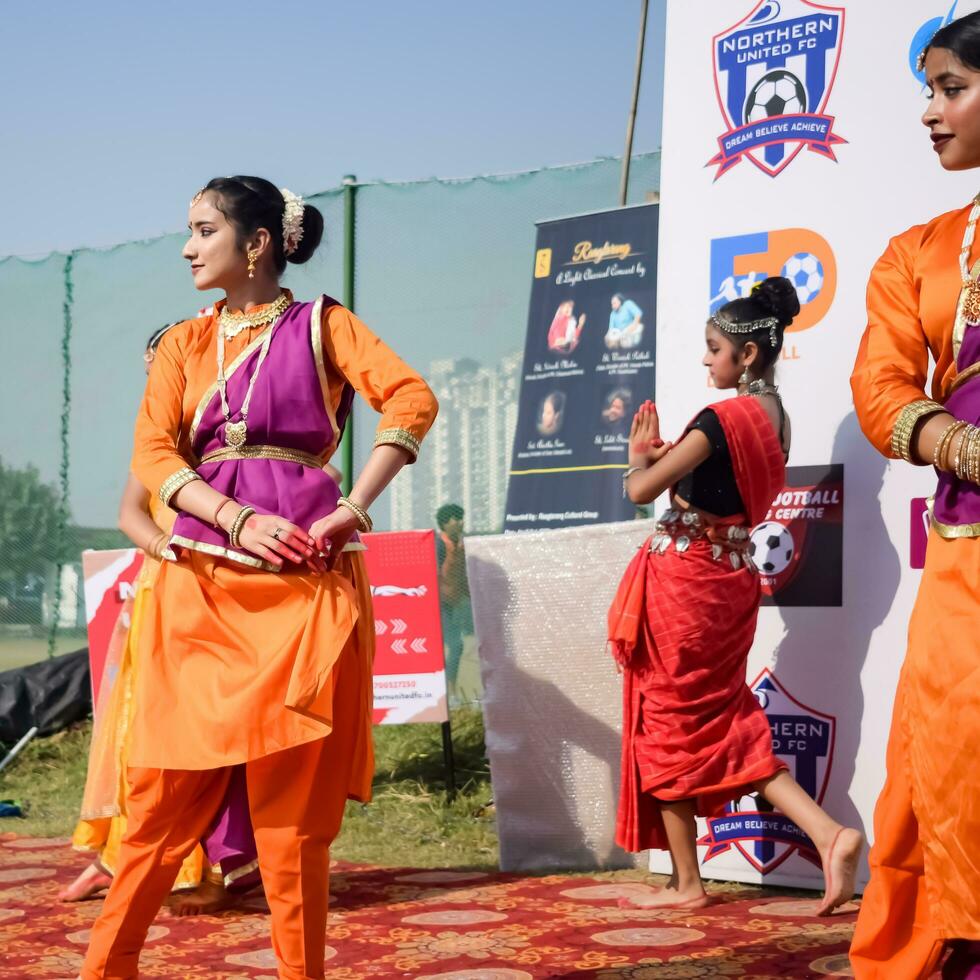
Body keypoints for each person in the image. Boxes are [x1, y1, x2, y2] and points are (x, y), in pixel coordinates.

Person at [81, 176, 437, 980]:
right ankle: (107, 969)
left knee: (292, 830)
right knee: (158, 815)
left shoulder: (324, 325)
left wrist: (355, 502)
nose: (186, 247)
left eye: (203, 229)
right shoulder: (181, 343)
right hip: (201, 587)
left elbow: (411, 396)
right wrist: (235, 520)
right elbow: (154, 456)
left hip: (305, 591)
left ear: (258, 243)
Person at [610, 277, 862, 914]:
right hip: (732, 582)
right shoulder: (776, 418)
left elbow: (640, 492)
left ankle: (688, 885)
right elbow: (724, 490)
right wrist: (680, 465)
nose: (705, 359)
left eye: (714, 348)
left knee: (665, 721)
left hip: (688, 581)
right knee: (724, 720)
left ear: (747, 354)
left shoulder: (721, 418)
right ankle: (829, 835)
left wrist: (638, 457)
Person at [849, 16, 980, 977]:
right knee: (953, 760)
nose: (929, 113)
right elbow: (882, 386)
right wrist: (961, 446)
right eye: (928, 90)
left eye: (950, 88)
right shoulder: (924, 252)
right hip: (968, 549)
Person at [63, 324, 260, 916]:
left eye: (170, 365)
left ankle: (216, 867)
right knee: (140, 741)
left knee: (213, 739)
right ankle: (118, 858)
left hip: (222, 602)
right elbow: (131, 513)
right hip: (161, 597)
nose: (159, 378)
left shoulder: (226, 437)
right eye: (152, 368)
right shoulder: (157, 444)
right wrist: (162, 552)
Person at [435, 503, 472, 691]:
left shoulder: (464, 544)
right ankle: (448, 690)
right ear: (445, 524)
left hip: (455, 602)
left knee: (458, 646)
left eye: (461, 518)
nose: (460, 522)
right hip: (437, 604)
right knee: (455, 645)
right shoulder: (438, 544)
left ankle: (451, 689)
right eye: (456, 519)